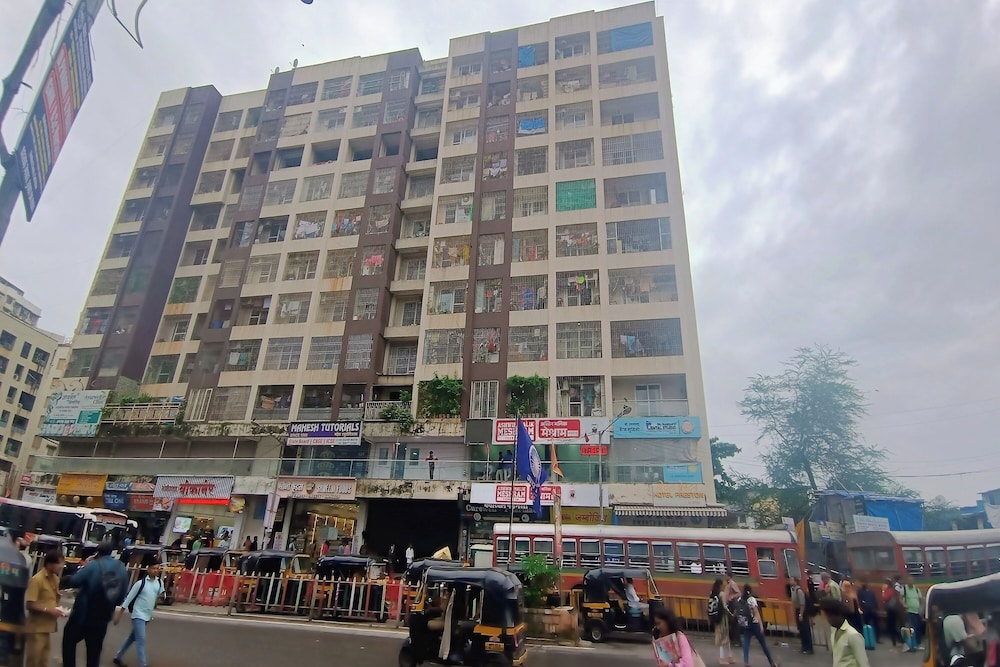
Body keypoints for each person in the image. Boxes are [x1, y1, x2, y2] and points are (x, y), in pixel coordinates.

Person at [62, 542, 129, 667]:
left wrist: (83, 567)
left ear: (97, 552)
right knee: (94, 653)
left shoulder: (93, 565)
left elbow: (75, 581)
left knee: (69, 641)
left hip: (82, 616)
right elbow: (121, 597)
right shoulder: (121, 568)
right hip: (103, 619)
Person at [112, 560, 165, 667]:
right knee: (141, 640)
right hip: (138, 614)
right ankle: (143, 664)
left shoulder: (159, 582)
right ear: (148, 569)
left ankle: (118, 656)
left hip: (147, 615)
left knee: (132, 637)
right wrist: (119, 616)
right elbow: (128, 599)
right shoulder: (140, 584)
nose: (156, 570)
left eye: (158, 568)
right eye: (154, 568)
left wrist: (163, 596)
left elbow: (162, 592)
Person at [25, 550, 68, 667]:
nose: (61, 566)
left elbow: (51, 600)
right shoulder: (37, 580)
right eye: (59, 563)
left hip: (47, 627)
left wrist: (59, 610)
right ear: (49, 564)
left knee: (43, 662)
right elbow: (29, 604)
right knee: (34, 662)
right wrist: (48, 610)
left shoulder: (55, 579)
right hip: (36, 628)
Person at [820, 598, 871, 667]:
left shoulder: (853, 635)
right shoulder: (833, 631)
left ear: (837, 614)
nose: (827, 620)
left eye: (828, 616)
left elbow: (863, 663)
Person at [736, 584, 777, 667]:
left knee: (746, 642)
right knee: (763, 644)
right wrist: (761, 625)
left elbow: (737, 611)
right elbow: (756, 613)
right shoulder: (752, 599)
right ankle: (772, 663)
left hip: (746, 624)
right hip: (754, 624)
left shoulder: (740, 599)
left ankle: (746, 662)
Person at [708, 578, 734, 665]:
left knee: (725, 638)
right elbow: (724, 606)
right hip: (722, 619)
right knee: (724, 638)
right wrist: (731, 614)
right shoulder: (722, 594)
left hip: (716, 617)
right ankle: (722, 658)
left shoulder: (712, 593)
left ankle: (729, 657)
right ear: (720, 585)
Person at [791, 577, 813, 655]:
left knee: (805, 630)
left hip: (802, 611)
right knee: (801, 630)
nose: (790, 581)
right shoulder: (793, 590)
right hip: (797, 610)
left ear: (796, 582)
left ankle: (809, 648)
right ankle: (804, 647)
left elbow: (802, 604)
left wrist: (801, 614)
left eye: (792, 580)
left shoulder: (799, 591)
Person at [902, 577, 924, 650]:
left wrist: (920, 607)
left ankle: (917, 643)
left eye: (911, 581)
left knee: (918, 627)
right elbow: (900, 598)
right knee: (912, 628)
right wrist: (904, 604)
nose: (910, 582)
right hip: (909, 611)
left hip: (917, 611)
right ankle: (913, 644)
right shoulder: (904, 589)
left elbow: (920, 598)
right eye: (909, 581)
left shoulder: (916, 589)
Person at [880, 577, 901, 649]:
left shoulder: (889, 590)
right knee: (895, 625)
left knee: (892, 626)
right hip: (894, 610)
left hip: (891, 611)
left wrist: (883, 591)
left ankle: (895, 642)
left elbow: (885, 598)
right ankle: (897, 641)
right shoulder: (893, 590)